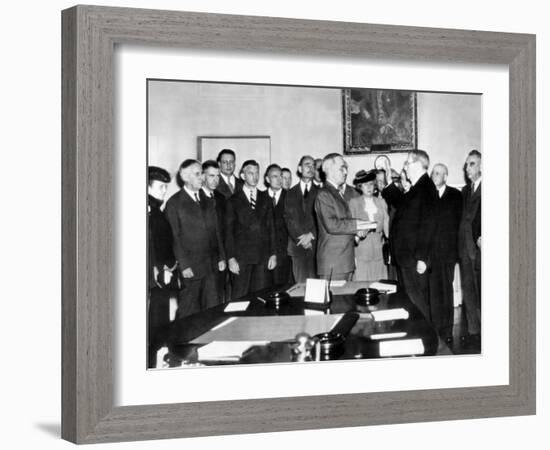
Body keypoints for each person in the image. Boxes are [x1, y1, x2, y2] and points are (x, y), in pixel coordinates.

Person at [165, 159, 225, 318]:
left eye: (202, 174)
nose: (202, 178)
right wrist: (184, 266)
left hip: (211, 266)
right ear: (185, 177)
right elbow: (174, 238)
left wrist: (221, 257)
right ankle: (183, 342)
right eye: (198, 174)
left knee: (212, 308)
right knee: (188, 309)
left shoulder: (207, 200)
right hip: (191, 267)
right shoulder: (174, 203)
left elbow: (216, 231)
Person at [389, 149, 437, 320]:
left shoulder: (425, 188)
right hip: (407, 256)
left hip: (415, 258)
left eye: (407, 163)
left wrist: (422, 258)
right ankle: (419, 337)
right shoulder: (418, 187)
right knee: (412, 301)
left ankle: (427, 341)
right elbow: (404, 209)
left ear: (417, 164)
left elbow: (429, 225)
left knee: (418, 303)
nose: (405, 167)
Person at [314, 153, 372, 281]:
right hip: (333, 263)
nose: (346, 172)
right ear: (329, 169)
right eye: (342, 168)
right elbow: (332, 225)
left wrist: (356, 234)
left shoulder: (337, 193)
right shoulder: (324, 194)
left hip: (344, 261)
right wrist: (358, 225)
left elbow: (343, 225)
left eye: (345, 168)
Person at [225, 160, 277, 298]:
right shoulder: (232, 200)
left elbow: (271, 227)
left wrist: (273, 254)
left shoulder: (266, 198)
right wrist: (230, 258)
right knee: (240, 298)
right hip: (241, 259)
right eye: (250, 173)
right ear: (242, 176)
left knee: (261, 298)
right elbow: (228, 232)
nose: (254, 177)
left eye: (256, 173)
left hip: (262, 257)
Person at [147, 166, 177, 368]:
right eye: (161, 186)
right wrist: (161, 269)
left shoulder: (156, 209)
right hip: (155, 278)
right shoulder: (149, 212)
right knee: (153, 325)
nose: (164, 191)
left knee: (159, 323)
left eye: (166, 187)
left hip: (163, 275)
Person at [429, 163, 462, 344]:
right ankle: (434, 328)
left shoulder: (456, 196)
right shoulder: (426, 196)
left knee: (446, 291)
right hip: (431, 255)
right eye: (433, 172)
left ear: (446, 176)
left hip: (448, 253)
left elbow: (459, 225)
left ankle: (447, 329)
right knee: (433, 292)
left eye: (439, 173)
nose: (435, 175)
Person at [458, 150, 482, 347]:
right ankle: (474, 331)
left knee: (484, 291)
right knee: (468, 291)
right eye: (467, 165)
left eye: (472, 164)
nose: (467, 168)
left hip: (480, 249)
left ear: (482, 166)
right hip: (464, 250)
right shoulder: (465, 191)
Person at [284, 155, 319, 283]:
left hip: (316, 247)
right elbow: (289, 219)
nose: (310, 168)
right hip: (297, 246)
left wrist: (311, 235)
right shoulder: (290, 193)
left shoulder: (321, 192)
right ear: (299, 169)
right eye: (307, 165)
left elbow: (321, 219)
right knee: (300, 287)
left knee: (316, 287)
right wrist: (302, 238)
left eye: (313, 165)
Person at [349, 170, 389, 280]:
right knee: (362, 284)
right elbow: (350, 226)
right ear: (359, 186)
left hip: (379, 251)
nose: (369, 187)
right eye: (365, 185)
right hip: (361, 251)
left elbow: (387, 225)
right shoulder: (354, 203)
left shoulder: (382, 202)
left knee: (380, 285)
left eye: (371, 184)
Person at [201, 160, 229, 303]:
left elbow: (223, 230)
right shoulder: (196, 198)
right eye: (211, 176)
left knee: (218, 297)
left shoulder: (221, 198)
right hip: (203, 261)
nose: (215, 180)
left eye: (218, 176)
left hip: (221, 258)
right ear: (202, 176)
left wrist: (223, 257)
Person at [264, 164, 292, 286]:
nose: (279, 180)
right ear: (267, 179)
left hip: (285, 253)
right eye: (275, 176)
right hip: (265, 253)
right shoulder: (260, 197)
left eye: (281, 176)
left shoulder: (291, 197)